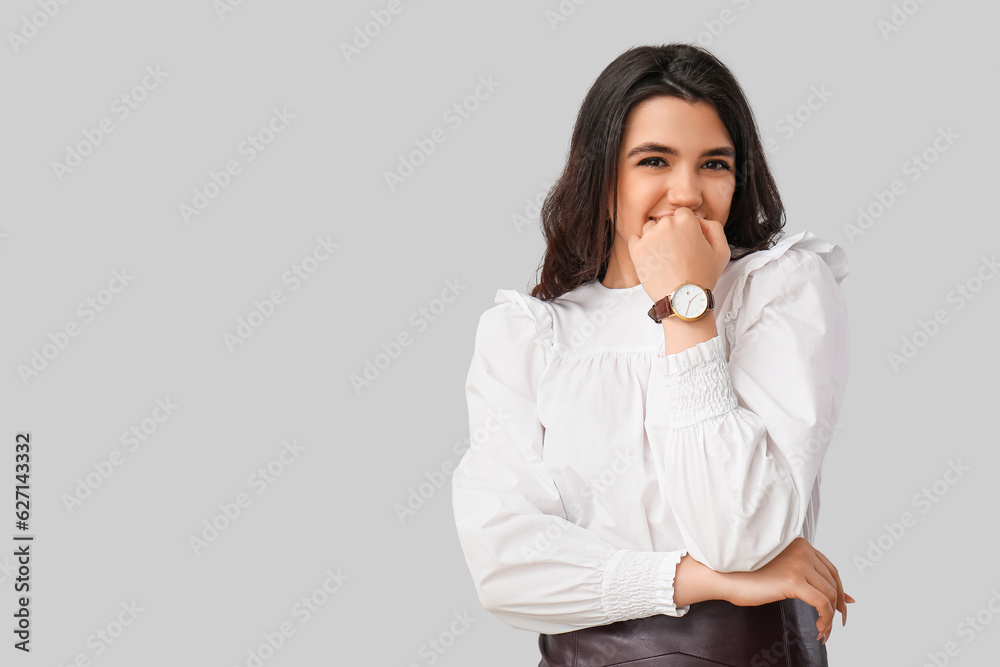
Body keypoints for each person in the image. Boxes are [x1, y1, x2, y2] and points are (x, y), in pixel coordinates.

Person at [451, 43, 855, 667]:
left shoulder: (780, 290)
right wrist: (711, 582)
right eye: (654, 161)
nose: (687, 193)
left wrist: (684, 306)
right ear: (603, 178)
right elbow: (503, 569)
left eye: (714, 163)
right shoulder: (531, 334)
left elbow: (740, 534)